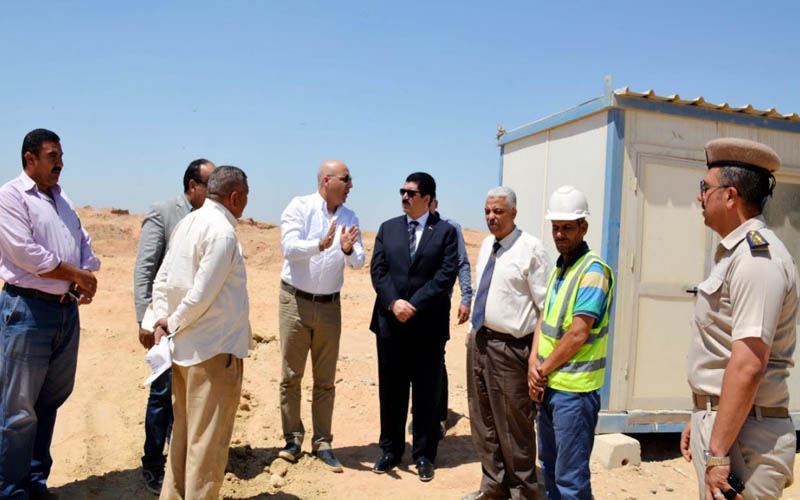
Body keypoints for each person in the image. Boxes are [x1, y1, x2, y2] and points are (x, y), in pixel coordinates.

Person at [679, 138, 797, 500]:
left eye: (705, 188)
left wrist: (718, 450)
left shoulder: (756, 259)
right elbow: (721, 351)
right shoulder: (735, 254)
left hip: (746, 438)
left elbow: (748, 364)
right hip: (731, 426)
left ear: (730, 196)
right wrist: (703, 412)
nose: (699, 197)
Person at [0, 128, 101, 499]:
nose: (60, 164)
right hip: (27, 312)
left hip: (64, 313)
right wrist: (77, 275)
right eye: (52, 156)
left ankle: (35, 481)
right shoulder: (11, 197)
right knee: (18, 409)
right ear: (30, 159)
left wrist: (83, 275)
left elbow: (83, 242)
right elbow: (27, 254)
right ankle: (12, 489)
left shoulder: (61, 199)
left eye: (60, 156)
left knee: (50, 400)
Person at [149, 166, 251, 500]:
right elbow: (202, 295)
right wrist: (172, 322)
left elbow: (162, 279)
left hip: (185, 350)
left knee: (184, 437)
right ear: (234, 197)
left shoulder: (188, 223)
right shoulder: (222, 232)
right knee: (207, 445)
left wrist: (162, 320)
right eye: (246, 197)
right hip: (212, 353)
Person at [369, 172, 458, 482]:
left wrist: (414, 305)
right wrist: (394, 303)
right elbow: (378, 270)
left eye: (411, 193)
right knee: (391, 392)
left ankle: (424, 455)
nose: (405, 197)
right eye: (403, 192)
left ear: (428, 199)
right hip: (390, 324)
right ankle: (390, 450)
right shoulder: (388, 228)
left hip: (427, 327)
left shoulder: (445, 232)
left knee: (427, 394)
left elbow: (445, 275)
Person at [462, 187, 550, 500]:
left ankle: (523, 492)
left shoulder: (531, 249)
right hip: (480, 343)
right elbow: (483, 290)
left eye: (498, 211)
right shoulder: (487, 245)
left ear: (513, 213)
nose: (491, 217)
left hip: (512, 349)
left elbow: (545, 308)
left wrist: (535, 357)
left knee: (514, 427)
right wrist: (471, 330)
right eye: (487, 211)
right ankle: (493, 487)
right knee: (483, 420)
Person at [133, 158, 215, 494]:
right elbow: (146, 268)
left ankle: (178, 465)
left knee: (188, 396)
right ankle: (153, 463)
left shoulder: (211, 217)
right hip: (164, 324)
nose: (215, 191)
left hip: (195, 325)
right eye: (210, 184)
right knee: (162, 393)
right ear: (193, 185)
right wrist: (145, 319)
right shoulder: (164, 212)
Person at [277, 160, 364, 472]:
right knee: (291, 375)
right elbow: (288, 248)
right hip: (295, 302)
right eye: (346, 178)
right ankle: (292, 439)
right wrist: (320, 244)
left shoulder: (349, 217)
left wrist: (347, 249)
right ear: (327, 180)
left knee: (325, 380)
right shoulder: (299, 207)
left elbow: (359, 261)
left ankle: (323, 442)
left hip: (329, 307)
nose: (351, 185)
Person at [529, 185, 614, 500]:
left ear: (583, 227)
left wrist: (541, 371)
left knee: (571, 480)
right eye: (555, 227)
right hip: (550, 386)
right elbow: (544, 318)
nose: (559, 234)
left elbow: (579, 332)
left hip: (574, 393)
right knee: (550, 469)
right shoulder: (561, 267)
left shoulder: (593, 271)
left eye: (567, 228)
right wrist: (533, 363)